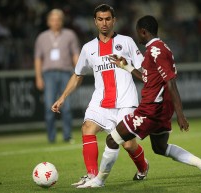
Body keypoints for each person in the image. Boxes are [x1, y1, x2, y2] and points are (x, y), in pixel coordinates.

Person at [79, 15, 201, 188]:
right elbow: (147, 78)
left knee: (112, 140)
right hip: (161, 109)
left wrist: (181, 115)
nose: (137, 37)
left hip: (150, 110)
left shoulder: (157, 51)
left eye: (138, 33)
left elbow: (171, 82)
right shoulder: (156, 49)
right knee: (160, 147)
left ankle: (98, 181)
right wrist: (126, 66)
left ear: (143, 32)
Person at [52, 4, 149, 186]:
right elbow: (78, 74)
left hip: (125, 101)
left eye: (107, 19)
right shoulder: (88, 48)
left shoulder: (126, 42)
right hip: (101, 101)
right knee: (87, 127)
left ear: (114, 20)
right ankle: (92, 176)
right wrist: (62, 97)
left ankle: (143, 167)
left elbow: (142, 68)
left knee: (128, 144)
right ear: (95, 22)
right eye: (100, 19)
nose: (104, 23)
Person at [34, 9, 80, 143]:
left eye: (58, 19)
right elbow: (38, 58)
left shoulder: (70, 35)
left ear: (62, 21)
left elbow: (75, 54)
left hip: (66, 72)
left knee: (67, 107)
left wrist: (78, 72)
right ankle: (51, 137)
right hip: (48, 74)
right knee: (49, 106)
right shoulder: (41, 37)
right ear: (48, 21)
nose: (55, 22)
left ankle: (67, 136)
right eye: (53, 19)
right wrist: (38, 77)